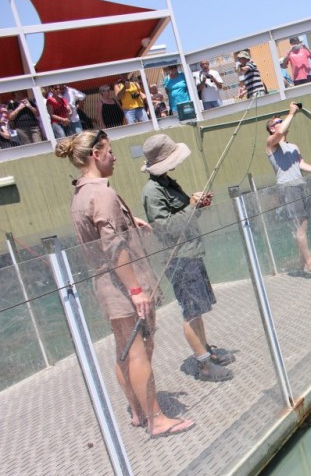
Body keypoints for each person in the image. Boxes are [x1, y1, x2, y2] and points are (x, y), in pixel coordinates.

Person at [56, 130, 195, 439]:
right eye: (109, 151)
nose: (114, 156)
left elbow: (103, 231)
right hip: (122, 285)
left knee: (123, 349)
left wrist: (133, 222)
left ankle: (137, 410)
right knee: (138, 352)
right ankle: (156, 419)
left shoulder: (81, 193)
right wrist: (135, 291)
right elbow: (113, 246)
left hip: (104, 284)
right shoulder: (102, 193)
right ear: (96, 155)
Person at [140, 134, 236, 383]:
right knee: (190, 312)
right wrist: (192, 206)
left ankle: (205, 350)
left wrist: (196, 206)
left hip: (191, 252)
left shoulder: (167, 182)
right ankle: (203, 365)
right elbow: (165, 227)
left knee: (198, 309)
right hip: (179, 258)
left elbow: (181, 217)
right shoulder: (152, 192)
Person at [266, 103, 311, 279]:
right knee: (299, 229)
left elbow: (300, 163)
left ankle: (301, 264)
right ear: (272, 128)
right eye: (279, 121)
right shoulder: (271, 143)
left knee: (303, 227)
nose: (283, 122)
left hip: (300, 185)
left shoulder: (293, 146)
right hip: (288, 188)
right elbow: (279, 134)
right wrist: (291, 113)